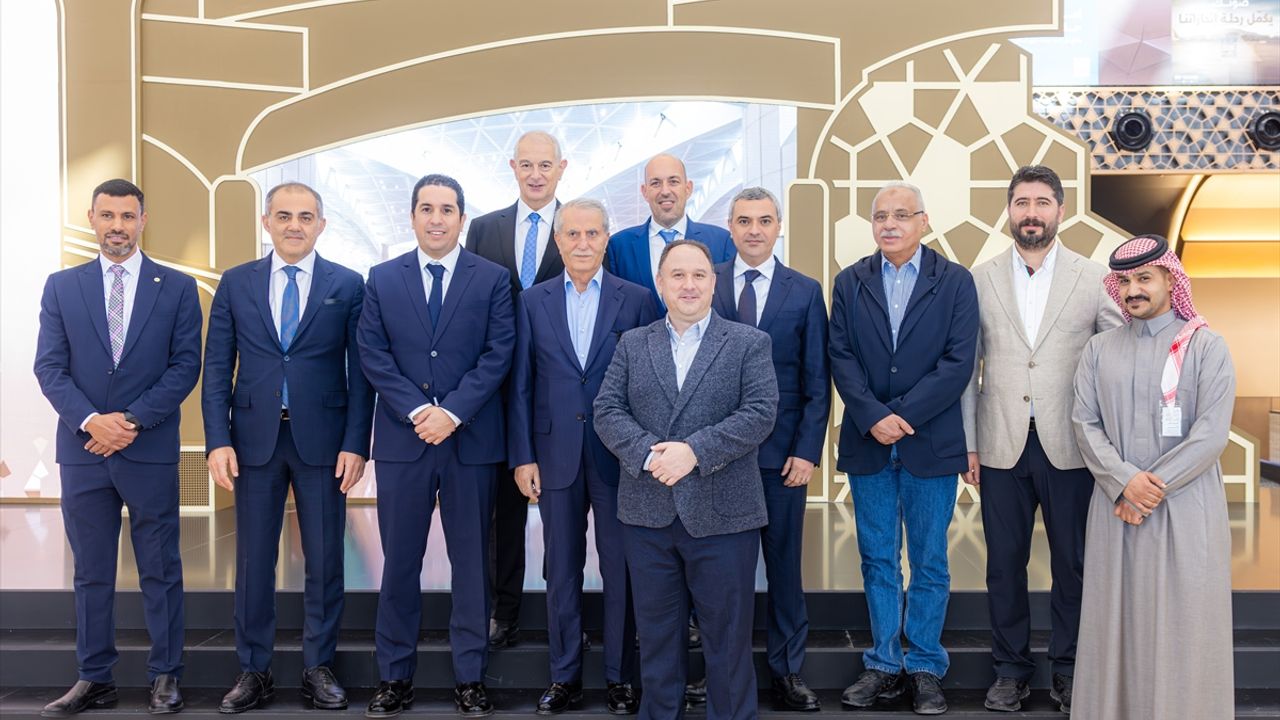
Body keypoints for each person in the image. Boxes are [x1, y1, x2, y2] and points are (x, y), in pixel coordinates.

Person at [202, 182, 374, 713]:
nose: (294, 225)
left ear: (321, 224)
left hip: (324, 442)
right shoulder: (236, 282)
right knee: (253, 560)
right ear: (266, 222)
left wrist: (356, 443)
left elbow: (362, 373)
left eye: (304, 216)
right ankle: (253, 671)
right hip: (253, 441)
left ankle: (318, 668)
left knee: (325, 559)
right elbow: (217, 367)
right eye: (283, 216)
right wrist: (217, 440)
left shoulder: (348, 284)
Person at [34, 178, 202, 716]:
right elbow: (49, 367)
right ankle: (94, 677)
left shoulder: (176, 288)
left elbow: (185, 366)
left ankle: (166, 675)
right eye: (107, 215)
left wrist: (129, 420)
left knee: (161, 567)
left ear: (143, 221)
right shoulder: (62, 287)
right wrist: (91, 421)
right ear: (92, 218)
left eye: (128, 216)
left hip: (147, 447)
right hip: (83, 451)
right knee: (91, 572)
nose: (117, 226)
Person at [959, 166, 1123, 713]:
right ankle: (1010, 671)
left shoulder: (1093, 277)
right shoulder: (978, 279)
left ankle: (1071, 670)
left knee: (1072, 564)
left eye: (1042, 202)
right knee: (1003, 565)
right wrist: (968, 443)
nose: (1032, 212)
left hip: (1072, 444)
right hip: (999, 442)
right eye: (1022, 202)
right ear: (1009, 210)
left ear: (1060, 210)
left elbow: (1115, 359)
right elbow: (967, 369)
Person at [594, 239, 778, 720]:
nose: (689, 285)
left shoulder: (749, 343)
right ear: (660, 283)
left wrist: (693, 452)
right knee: (656, 642)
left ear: (714, 283)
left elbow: (760, 413)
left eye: (699, 275)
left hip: (725, 516)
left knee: (728, 644)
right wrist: (650, 455)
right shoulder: (633, 343)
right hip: (648, 515)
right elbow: (607, 410)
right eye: (677, 275)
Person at [357, 174, 515, 717]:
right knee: (400, 562)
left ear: (461, 218)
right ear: (412, 216)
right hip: (404, 442)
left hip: (470, 443)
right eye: (426, 208)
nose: (436, 218)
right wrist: (419, 410)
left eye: (447, 209)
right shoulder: (382, 278)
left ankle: (470, 677)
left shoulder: (492, 279)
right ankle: (394, 677)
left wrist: (451, 412)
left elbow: (498, 352)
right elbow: (373, 353)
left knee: (471, 566)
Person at [1071, 234, 1236, 720]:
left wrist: (1145, 490)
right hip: (1115, 508)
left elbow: (1211, 435)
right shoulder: (1099, 349)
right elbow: (1085, 424)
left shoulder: (1206, 346)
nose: (1132, 290)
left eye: (1144, 278)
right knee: (1115, 620)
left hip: (1184, 512)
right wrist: (1124, 481)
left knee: (1183, 621)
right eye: (1124, 282)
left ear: (1170, 280)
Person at [828, 182, 978, 715]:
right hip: (869, 441)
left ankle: (926, 665)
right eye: (880, 217)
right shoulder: (850, 282)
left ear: (923, 221)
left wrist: (904, 416)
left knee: (930, 559)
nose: (889, 224)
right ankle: (884, 663)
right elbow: (840, 356)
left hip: (930, 441)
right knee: (877, 558)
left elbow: (958, 363)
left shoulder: (955, 281)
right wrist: (874, 416)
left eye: (901, 215)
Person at [507, 198, 658, 715]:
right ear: (558, 241)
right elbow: (521, 385)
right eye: (572, 234)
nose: (582, 243)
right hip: (554, 455)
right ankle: (564, 676)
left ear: (606, 239)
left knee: (621, 569)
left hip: (619, 458)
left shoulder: (636, 299)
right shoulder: (532, 301)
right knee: (562, 568)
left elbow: (652, 384)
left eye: (593, 233)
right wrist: (523, 456)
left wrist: (645, 452)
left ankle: (620, 677)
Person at [709, 187, 829, 712]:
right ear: (730, 228)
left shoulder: (805, 291)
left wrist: (807, 451)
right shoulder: (705, 280)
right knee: (720, 576)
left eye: (763, 220)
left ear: (779, 227)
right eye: (744, 221)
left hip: (782, 460)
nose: (754, 230)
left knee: (783, 569)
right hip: (714, 459)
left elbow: (816, 380)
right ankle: (722, 673)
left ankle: (787, 671)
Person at [465, 131, 568, 649]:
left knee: (563, 511)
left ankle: (562, 612)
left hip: (559, 392)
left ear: (561, 168)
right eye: (526, 164)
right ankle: (502, 611)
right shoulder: (484, 229)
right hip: (497, 392)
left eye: (545, 164)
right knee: (501, 513)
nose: (535, 174)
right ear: (512, 167)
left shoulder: (581, 228)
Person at [606, 154, 734, 309]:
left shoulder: (721, 242)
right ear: (645, 191)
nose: (665, 191)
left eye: (673, 182)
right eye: (656, 183)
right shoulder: (618, 246)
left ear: (688, 188)